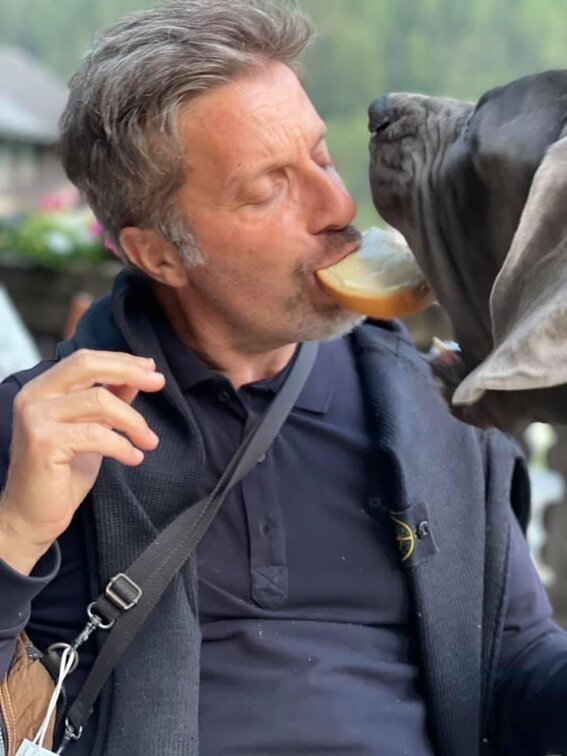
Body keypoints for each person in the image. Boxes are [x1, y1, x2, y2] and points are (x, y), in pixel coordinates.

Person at [0, 1, 565, 754]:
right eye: (268, 188)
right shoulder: (44, 435)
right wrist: (14, 534)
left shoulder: (441, 410)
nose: (339, 206)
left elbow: (517, 671)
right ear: (158, 254)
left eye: (320, 158)